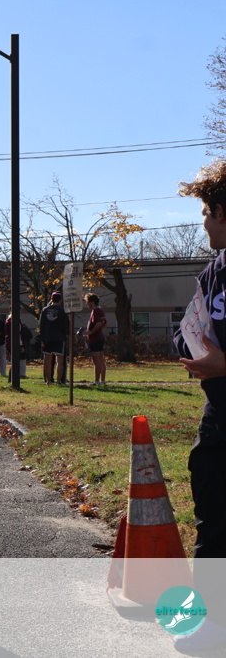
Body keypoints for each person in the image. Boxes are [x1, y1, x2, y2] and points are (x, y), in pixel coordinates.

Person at [173, 162, 226, 652]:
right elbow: (186, 329)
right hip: (219, 416)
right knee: (213, 516)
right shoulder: (212, 273)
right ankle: (210, 624)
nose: (204, 224)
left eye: (207, 214)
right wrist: (189, 347)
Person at [38, 291, 68, 385]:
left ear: (51, 299)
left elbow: (41, 325)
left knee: (47, 359)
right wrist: (66, 335)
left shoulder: (44, 310)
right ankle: (59, 381)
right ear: (60, 300)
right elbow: (66, 325)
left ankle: (49, 381)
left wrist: (42, 338)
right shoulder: (62, 310)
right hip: (59, 337)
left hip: (47, 338)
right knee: (60, 360)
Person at [84, 292, 107, 385]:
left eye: (87, 301)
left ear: (92, 302)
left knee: (96, 360)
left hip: (95, 339)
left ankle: (97, 381)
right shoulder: (101, 311)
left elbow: (98, 324)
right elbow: (105, 324)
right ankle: (103, 380)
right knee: (101, 360)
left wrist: (91, 332)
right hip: (100, 337)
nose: (87, 304)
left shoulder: (96, 311)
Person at [4, 312, 30, 380]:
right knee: (19, 359)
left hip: (11, 342)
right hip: (16, 343)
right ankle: (19, 374)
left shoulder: (8, 321)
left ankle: (16, 375)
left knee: (17, 359)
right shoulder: (13, 322)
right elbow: (18, 331)